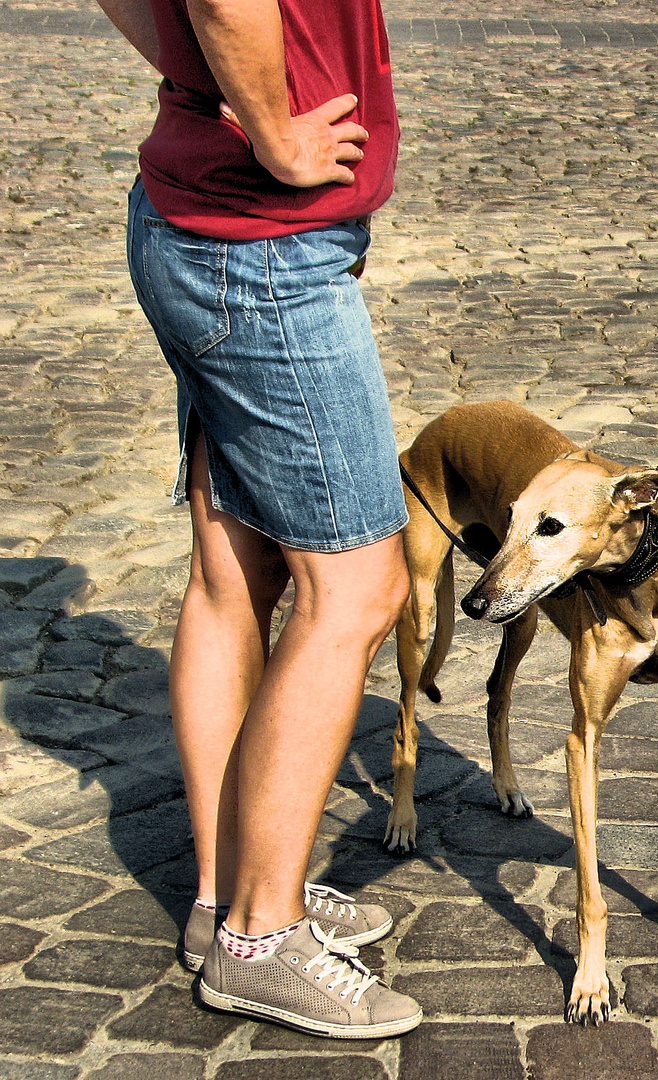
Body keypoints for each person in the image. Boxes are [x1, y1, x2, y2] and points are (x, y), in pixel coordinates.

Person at [96, 0, 421, 1035]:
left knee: (236, 573)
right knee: (359, 588)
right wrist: (271, 127)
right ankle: (258, 941)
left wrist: (212, 89)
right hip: (260, 249)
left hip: (210, 224)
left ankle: (223, 898)